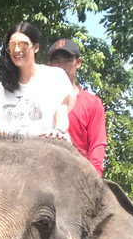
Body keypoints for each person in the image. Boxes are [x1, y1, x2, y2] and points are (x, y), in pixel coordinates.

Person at [0, 21, 75, 139]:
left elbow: (61, 114)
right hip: (12, 149)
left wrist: (58, 130)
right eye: (12, 46)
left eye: (23, 45)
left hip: (49, 145)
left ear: (36, 47)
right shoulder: (2, 88)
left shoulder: (56, 76)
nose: (17, 50)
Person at [46, 38, 107, 175]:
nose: (62, 66)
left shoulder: (92, 103)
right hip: (43, 171)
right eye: (56, 62)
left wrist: (93, 178)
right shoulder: (38, 99)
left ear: (78, 63)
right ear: (49, 66)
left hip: (77, 175)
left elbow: (97, 144)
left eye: (67, 60)